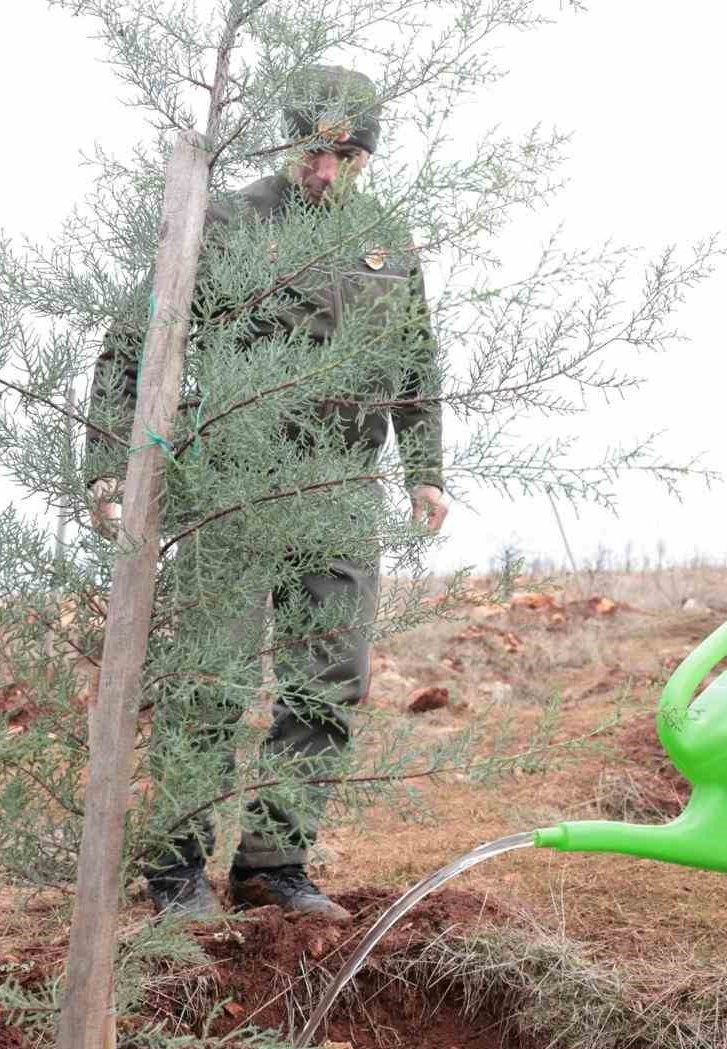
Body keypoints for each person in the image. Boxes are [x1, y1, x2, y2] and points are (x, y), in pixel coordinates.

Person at [84, 66, 449, 922]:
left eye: (348, 154)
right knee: (208, 675)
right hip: (233, 486)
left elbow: (415, 363)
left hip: (339, 493)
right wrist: (107, 458)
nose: (328, 171)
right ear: (288, 140)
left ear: (368, 154)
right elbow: (133, 341)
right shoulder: (228, 217)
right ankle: (175, 868)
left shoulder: (387, 235)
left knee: (331, 678)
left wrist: (424, 465)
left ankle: (273, 862)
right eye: (315, 151)